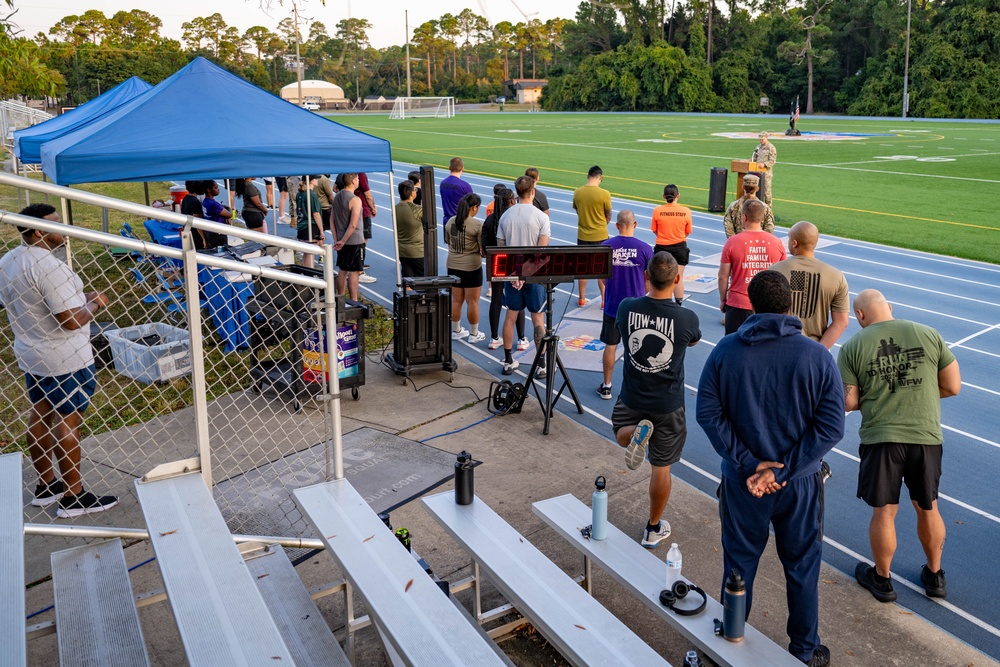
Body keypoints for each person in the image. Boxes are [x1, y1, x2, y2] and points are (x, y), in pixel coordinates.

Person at [696, 270, 845, 667]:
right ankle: (805, 651)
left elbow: (708, 414)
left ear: (751, 304)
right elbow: (831, 426)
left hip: (742, 484)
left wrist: (749, 465)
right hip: (799, 485)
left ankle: (730, 634)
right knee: (802, 566)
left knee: (739, 561)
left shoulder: (726, 350)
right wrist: (782, 471)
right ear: (789, 306)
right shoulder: (817, 356)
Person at [838, 289, 961, 603]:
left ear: (860, 316)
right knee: (928, 506)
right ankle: (935, 575)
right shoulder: (928, 333)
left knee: (885, 512)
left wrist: (879, 395)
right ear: (890, 308)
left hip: (882, 438)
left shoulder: (852, 346)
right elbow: (953, 386)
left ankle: (882, 579)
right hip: (925, 436)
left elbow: (849, 401)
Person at [0, 203, 119, 518]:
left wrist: (81, 298)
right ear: (39, 232)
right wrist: (96, 303)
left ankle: (46, 485)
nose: (63, 229)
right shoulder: (49, 267)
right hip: (64, 357)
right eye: (56, 224)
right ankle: (74, 496)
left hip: (31, 351)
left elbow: (31, 302)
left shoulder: (9, 260)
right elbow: (69, 320)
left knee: (40, 415)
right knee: (69, 421)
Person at [612, 252, 701, 547]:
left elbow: (620, 331)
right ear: (677, 279)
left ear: (646, 276)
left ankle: (633, 433)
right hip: (668, 404)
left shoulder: (626, 307)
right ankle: (652, 528)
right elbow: (693, 339)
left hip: (632, 397)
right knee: (661, 468)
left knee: (619, 433)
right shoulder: (686, 317)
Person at [497, 175, 550, 376]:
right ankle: (542, 364)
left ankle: (509, 361)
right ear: (532, 192)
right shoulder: (541, 217)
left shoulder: (505, 216)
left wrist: (516, 275)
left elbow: (501, 251)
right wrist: (525, 275)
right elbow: (541, 252)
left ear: (516, 192)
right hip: (534, 276)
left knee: (510, 317)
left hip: (512, 275)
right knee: (538, 319)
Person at [598, 210, 654, 400]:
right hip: (637, 308)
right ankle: (635, 389)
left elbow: (602, 279)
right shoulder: (646, 249)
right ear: (635, 225)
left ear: (616, 225)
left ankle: (606, 386)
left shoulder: (606, 246)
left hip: (613, 306)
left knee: (610, 346)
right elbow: (649, 280)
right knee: (637, 349)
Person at [770, 221, 849, 349]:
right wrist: (818, 351)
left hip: (780, 346)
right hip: (815, 347)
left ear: (794, 243)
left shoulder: (773, 272)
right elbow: (841, 322)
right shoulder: (836, 276)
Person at [719, 199, 786, 334]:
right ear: (762, 217)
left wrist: (723, 300)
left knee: (734, 347)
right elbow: (783, 276)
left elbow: (723, 276)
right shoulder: (777, 243)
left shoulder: (732, 242)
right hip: (768, 304)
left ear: (744, 217)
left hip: (739, 303)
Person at [482, 187, 527, 351]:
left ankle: (494, 338)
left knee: (495, 299)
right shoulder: (515, 219)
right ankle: (521, 338)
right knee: (517, 298)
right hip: (513, 261)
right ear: (512, 201)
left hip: (496, 262)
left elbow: (484, 246)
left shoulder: (490, 220)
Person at [445, 193, 486, 343]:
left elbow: (449, 243)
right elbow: (483, 249)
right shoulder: (476, 225)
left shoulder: (450, 222)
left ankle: (456, 330)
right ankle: (474, 334)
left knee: (456, 300)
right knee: (472, 302)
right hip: (471, 267)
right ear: (474, 207)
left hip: (453, 265)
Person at [572, 165, 613, 307]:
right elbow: (608, 215)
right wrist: (600, 225)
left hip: (583, 235)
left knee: (583, 269)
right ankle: (603, 300)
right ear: (600, 177)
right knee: (602, 269)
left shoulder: (578, 192)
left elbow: (578, 211)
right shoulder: (604, 194)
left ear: (587, 176)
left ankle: (581, 298)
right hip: (601, 235)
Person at [651, 184, 692, 304]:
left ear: (663, 196)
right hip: (680, 247)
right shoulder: (686, 211)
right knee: (678, 278)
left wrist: (665, 236)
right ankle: (678, 303)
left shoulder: (657, 210)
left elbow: (655, 230)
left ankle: (659, 301)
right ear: (678, 195)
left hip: (662, 247)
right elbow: (688, 231)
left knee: (659, 277)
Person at [332, 173, 365, 300]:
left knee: (342, 270)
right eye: (357, 179)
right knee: (354, 272)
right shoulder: (355, 199)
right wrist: (344, 241)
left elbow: (332, 220)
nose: (358, 181)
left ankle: (340, 299)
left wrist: (337, 240)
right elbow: (353, 224)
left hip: (341, 239)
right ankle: (354, 301)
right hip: (354, 241)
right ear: (352, 181)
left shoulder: (337, 197)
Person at [395, 179, 425, 279]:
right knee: (423, 280)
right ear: (412, 193)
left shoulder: (395, 208)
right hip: (417, 251)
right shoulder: (418, 210)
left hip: (401, 250)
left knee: (407, 280)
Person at [354, 173, 378, 284]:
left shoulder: (344, 172)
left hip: (351, 210)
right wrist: (372, 207)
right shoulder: (361, 174)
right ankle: (359, 271)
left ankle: (357, 265)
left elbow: (335, 188)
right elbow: (368, 195)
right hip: (362, 212)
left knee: (354, 240)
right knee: (362, 241)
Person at [296, 177, 324, 269]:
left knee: (306, 252)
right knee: (310, 253)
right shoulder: (311, 195)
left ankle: (305, 272)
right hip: (310, 226)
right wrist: (321, 230)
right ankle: (309, 274)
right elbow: (316, 213)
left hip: (302, 224)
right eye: (316, 178)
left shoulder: (300, 193)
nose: (317, 180)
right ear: (311, 181)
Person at [440, 157, 474, 224]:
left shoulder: (442, 183)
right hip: (461, 222)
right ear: (462, 168)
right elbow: (471, 206)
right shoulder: (465, 186)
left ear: (449, 167)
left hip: (447, 220)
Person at [200, 181, 233, 249]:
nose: (218, 189)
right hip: (218, 234)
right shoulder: (213, 204)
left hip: (210, 232)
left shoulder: (206, 201)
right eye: (216, 188)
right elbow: (229, 214)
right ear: (209, 190)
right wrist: (229, 208)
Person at [751, 131, 777, 206]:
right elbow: (754, 158)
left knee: (766, 192)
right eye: (760, 139)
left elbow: (772, 161)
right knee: (756, 190)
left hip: (766, 173)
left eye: (762, 139)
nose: (761, 141)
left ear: (766, 138)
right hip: (757, 172)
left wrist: (764, 164)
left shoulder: (771, 148)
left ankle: (768, 208)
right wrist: (745, 161)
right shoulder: (758, 147)